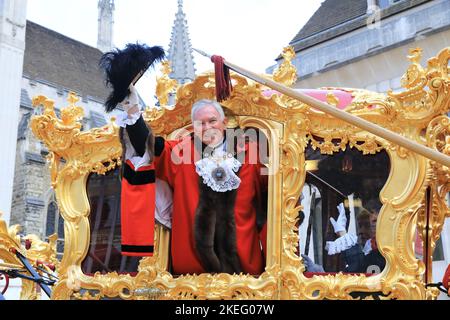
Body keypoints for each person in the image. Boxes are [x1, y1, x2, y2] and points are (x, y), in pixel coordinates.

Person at [117, 87, 268, 275]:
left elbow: (273, 196)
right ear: (193, 127)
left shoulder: (250, 152)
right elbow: (148, 146)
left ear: (224, 122)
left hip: (245, 267)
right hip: (192, 274)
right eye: (200, 123)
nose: (206, 127)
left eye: (212, 121)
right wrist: (132, 109)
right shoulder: (180, 152)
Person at [325, 202, 385, 273]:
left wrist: (343, 235)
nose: (361, 231)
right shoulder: (367, 248)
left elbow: (361, 269)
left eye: (367, 225)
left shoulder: (384, 250)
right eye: (359, 226)